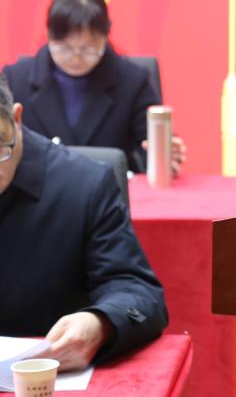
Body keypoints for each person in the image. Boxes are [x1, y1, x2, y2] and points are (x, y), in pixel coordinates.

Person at [0, 74, 168, 369]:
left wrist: (100, 323)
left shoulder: (84, 185)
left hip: (48, 376)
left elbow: (137, 292)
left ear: (16, 118)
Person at [2, 0, 185, 173]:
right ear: (49, 36)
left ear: (105, 38)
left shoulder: (133, 82)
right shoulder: (15, 79)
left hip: (109, 187)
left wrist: (164, 156)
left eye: (88, 49)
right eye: (65, 49)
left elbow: (147, 149)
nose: (76, 59)